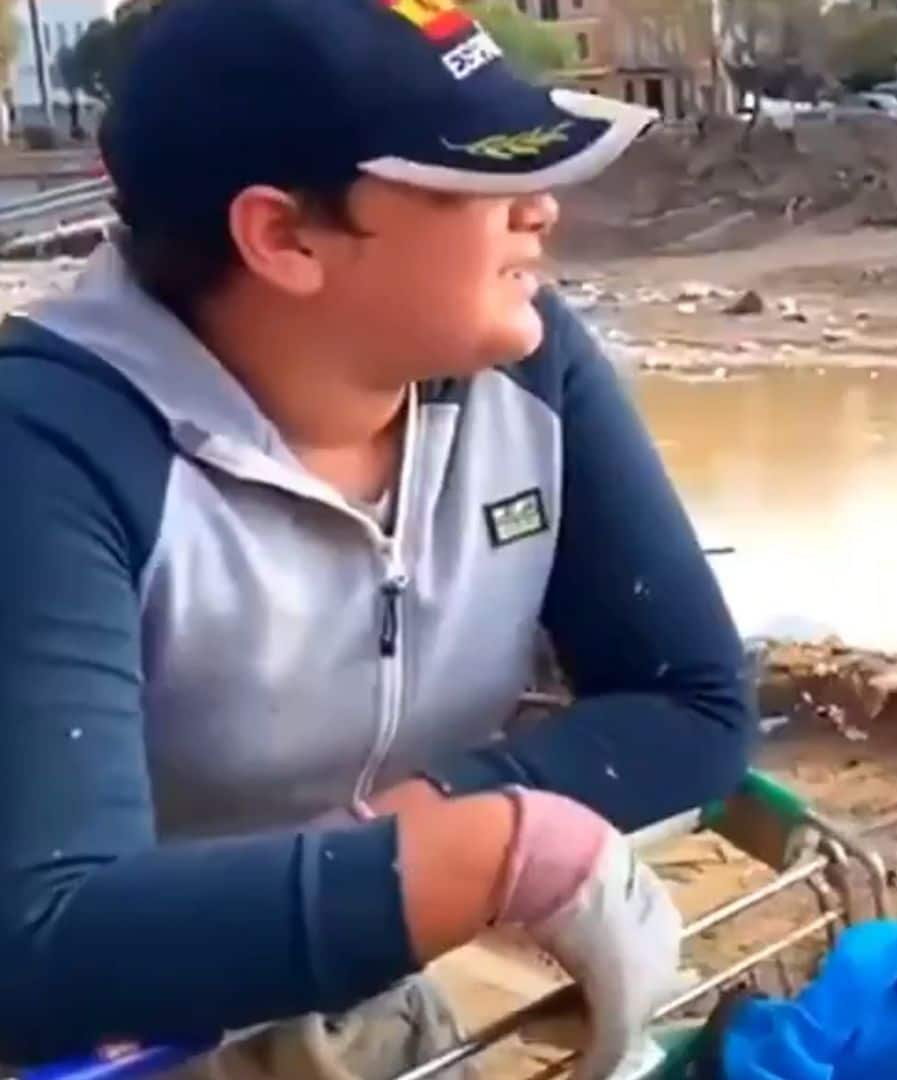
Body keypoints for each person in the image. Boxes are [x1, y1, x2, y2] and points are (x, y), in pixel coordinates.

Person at [0, 0, 754, 1075]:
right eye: (478, 179)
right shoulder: (49, 449)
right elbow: (44, 941)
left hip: (357, 973)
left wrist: (446, 804)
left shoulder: (528, 371)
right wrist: (481, 855)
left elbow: (695, 701)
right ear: (285, 236)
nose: (540, 208)